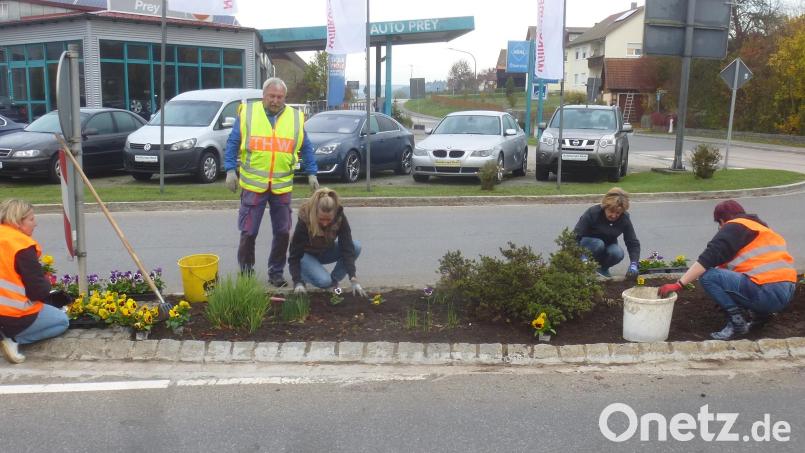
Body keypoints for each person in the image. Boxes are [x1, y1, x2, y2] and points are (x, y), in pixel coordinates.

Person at [224, 77, 319, 288]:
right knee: (249, 232)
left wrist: (312, 172)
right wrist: (230, 169)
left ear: (285, 97)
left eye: (280, 97)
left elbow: (306, 147)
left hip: (281, 186)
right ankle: (246, 274)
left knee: (283, 232)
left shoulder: (295, 118)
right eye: (272, 96)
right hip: (253, 186)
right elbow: (233, 142)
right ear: (263, 96)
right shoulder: (248, 113)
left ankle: (276, 273)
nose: (275, 100)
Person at [659, 200, 797, 340]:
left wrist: (679, 284)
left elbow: (707, 259)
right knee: (739, 277)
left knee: (708, 276)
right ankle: (761, 316)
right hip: (787, 290)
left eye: (719, 224)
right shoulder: (761, 229)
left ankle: (737, 323)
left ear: (721, 220)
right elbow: (734, 270)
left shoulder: (734, 226)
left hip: (766, 292)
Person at [0, 199, 70, 364]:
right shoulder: (21, 246)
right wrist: (47, 283)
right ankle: (12, 339)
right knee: (61, 321)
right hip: (13, 317)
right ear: (18, 221)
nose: (35, 223)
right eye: (31, 219)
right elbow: (38, 291)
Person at [289, 188, 367, 297]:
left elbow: (347, 247)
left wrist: (353, 278)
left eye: (328, 220)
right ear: (315, 213)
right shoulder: (305, 219)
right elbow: (294, 256)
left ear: (334, 214)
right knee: (324, 281)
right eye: (321, 219)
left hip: (324, 251)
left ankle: (334, 283)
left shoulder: (340, 218)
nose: (325, 223)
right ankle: (306, 276)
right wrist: (297, 282)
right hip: (305, 255)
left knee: (356, 246)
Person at [573, 187, 641, 279]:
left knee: (617, 252)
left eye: (618, 213)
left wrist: (634, 264)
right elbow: (575, 237)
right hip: (587, 246)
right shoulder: (593, 213)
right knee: (598, 244)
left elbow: (632, 242)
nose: (614, 215)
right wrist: (582, 256)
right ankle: (582, 268)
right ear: (605, 206)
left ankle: (601, 269)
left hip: (607, 246)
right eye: (611, 211)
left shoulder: (624, 218)